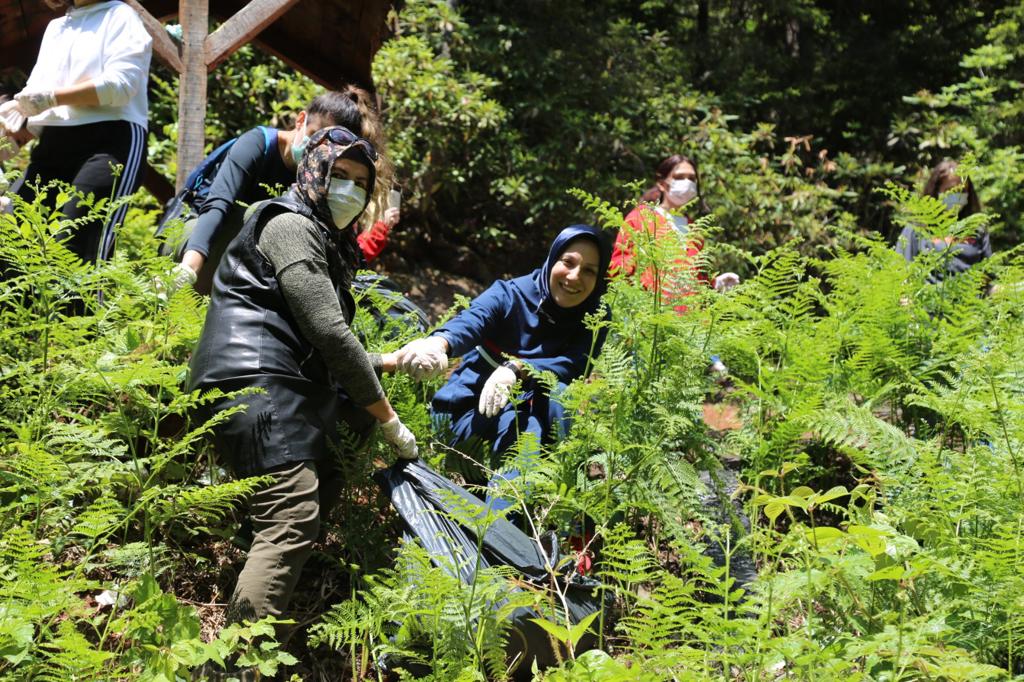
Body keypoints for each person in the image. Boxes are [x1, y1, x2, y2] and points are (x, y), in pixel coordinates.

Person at [188, 126, 417, 648]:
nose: (350, 192)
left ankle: (268, 569)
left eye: (361, 184)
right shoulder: (290, 226)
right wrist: (390, 418)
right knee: (293, 514)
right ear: (313, 170)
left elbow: (309, 334)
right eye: (340, 176)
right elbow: (330, 334)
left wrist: (387, 361)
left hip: (273, 379)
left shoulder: (322, 238)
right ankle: (234, 660)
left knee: (347, 422)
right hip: (251, 381)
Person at [394, 225, 612, 510]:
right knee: (526, 432)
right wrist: (440, 343)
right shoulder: (511, 296)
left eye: (589, 271)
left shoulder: (594, 317)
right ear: (553, 259)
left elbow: (572, 365)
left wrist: (518, 368)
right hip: (464, 417)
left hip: (526, 420)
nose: (574, 277)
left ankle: (536, 511)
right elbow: (472, 320)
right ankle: (500, 531)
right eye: (568, 262)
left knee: (557, 401)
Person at [170, 86, 399, 294]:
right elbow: (217, 205)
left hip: (245, 258)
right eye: (314, 137)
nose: (315, 151)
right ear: (301, 120)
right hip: (193, 238)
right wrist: (189, 268)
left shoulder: (320, 176)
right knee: (274, 213)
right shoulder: (259, 143)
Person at [0, 0, 151, 264]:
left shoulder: (120, 15)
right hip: (54, 142)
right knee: (12, 241)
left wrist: (51, 97)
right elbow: (37, 93)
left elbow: (120, 85)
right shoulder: (57, 27)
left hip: (109, 142)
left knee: (74, 251)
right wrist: (18, 108)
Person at [611, 154, 739, 311]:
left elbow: (694, 278)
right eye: (679, 177)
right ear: (661, 183)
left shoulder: (694, 229)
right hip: (648, 315)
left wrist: (715, 284)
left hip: (688, 322)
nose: (687, 183)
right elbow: (620, 268)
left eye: (692, 178)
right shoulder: (641, 217)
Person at [896, 159, 991, 280]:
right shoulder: (917, 228)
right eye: (950, 190)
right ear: (936, 192)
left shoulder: (977, 229)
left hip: (972, 297)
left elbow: (988, 277)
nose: (957, 196)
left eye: (962, 190)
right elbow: (900, 272)